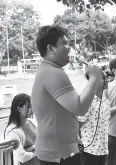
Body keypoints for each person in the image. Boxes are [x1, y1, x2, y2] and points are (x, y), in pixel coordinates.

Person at [31, 25, 102, 165]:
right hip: (60, 155)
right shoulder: (54, 73)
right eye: (64, 43)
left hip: (54, 151)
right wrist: (94, 78)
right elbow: (80, 107)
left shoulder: (46, 70)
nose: (69, 47)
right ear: (50, 48)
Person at [78, 72, 110, 165]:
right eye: (103, 78)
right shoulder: (87, 101)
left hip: (103, 149)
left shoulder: (106, 101)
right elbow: (77, 125)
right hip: (89, 150)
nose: (107, 80)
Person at [4, 94, 40, 165]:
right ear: (19, 109)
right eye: (29, 107)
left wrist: (33, 148)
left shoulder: (32, 122)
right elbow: (22, 157)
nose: (33, 110)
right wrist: (39, 151)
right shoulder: (13, 131)